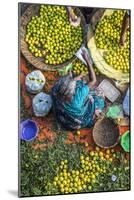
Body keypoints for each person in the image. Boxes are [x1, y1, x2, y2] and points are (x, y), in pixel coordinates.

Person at [51, 49, 105, 130]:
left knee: (79, 82)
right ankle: (95, 110)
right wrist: (88, 61)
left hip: (64, 111)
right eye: (73, 83)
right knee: (99, 93)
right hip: (79, 116)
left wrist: (75, 79)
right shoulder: (79, 95)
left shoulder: (58, 90)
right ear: (73, 92)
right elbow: (93, 80)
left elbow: (66, 85)